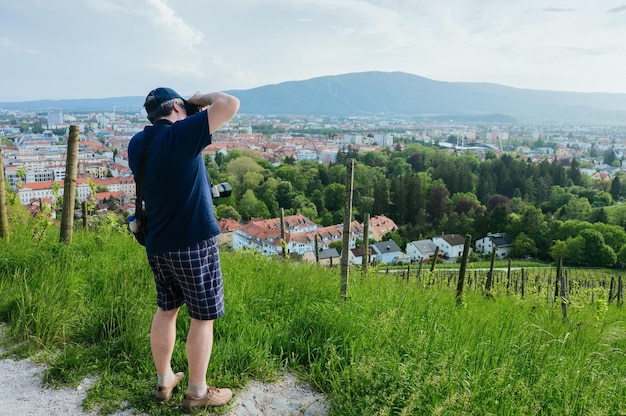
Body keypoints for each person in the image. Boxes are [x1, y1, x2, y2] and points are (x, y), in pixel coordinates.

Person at [128, 87, 240, 411]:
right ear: (177, 106)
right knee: (202, 318)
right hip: (193, 242)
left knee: (166, 310)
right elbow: (230, 104)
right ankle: (197, 392)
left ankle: (164, 381)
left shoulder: (139, 143)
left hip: (157, 244)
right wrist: (200, 98)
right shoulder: (182, 136)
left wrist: (186, 111)